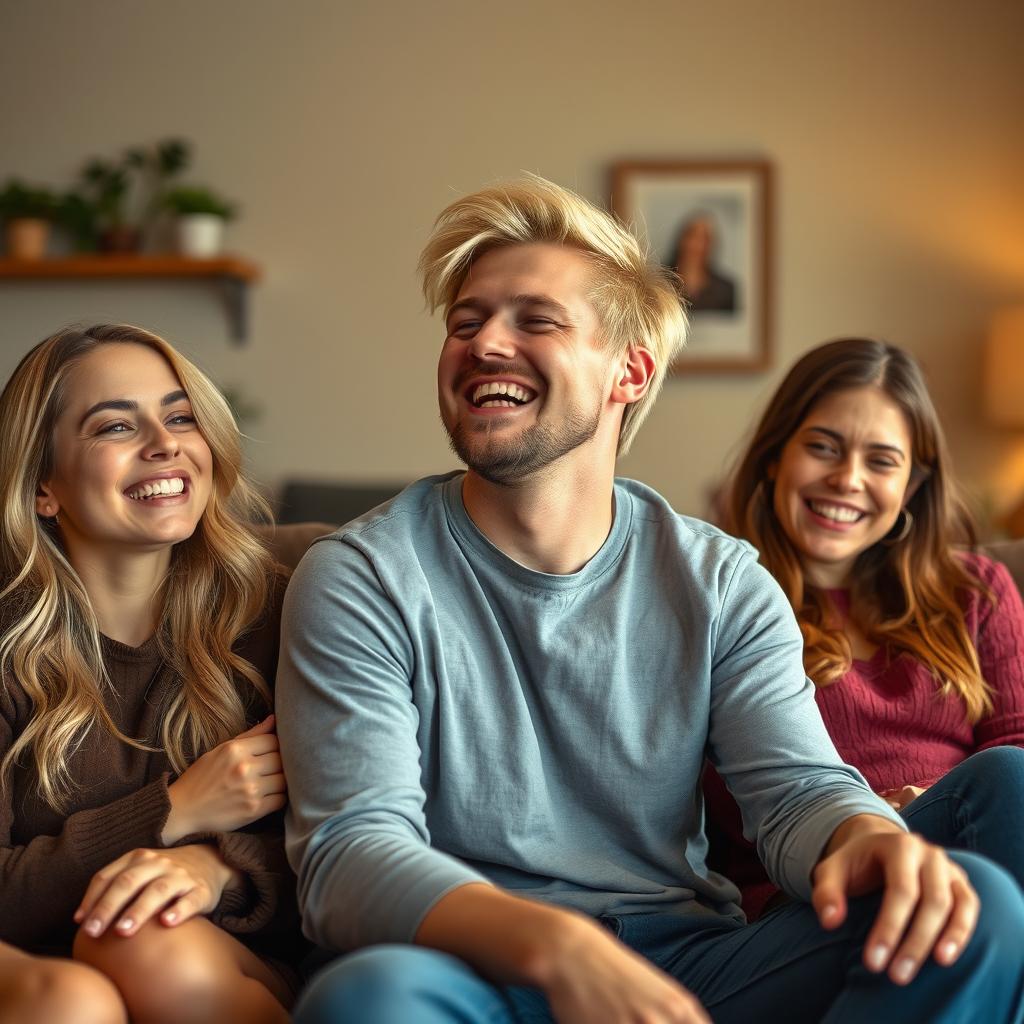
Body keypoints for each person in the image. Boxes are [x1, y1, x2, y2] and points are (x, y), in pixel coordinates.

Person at [277, 178, 1024, 1024]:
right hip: (467, 967)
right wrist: (558, 947)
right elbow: (348, 857)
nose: (484, 342)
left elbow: (796, 793)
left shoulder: (721, 580)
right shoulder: (360, 575)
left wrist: (870, 837)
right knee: (367, 1000)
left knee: (980, 901)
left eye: (535, 319)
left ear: (628, 371)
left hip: (689, 972)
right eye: (465, 321)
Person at [0, 324, 296, 1024]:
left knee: (142, 948)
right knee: (76, 1000)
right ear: (45, 486)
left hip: (213, 964)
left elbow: (356, 844)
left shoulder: (290, 598)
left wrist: (218, 867)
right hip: (34, 978)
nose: (164, 444)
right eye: (113, 426)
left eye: (180, 415)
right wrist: (174, 811)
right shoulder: (10, 643)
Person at [705, 337, 1024, 922]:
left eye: (881, 460)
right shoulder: (722, 600)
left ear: (913, 484)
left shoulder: (976, 592)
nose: (848, 479)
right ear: (776, 456)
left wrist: (934, 800)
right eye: (823, 448)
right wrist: (854, 819)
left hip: (979, 847)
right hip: (814, 890)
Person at [666, 213, 736, 313]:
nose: (698, 245)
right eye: (693, 235)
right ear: (682, 239)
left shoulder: (726, 290)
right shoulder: (661, 282)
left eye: (705, 239)